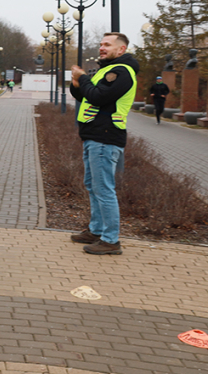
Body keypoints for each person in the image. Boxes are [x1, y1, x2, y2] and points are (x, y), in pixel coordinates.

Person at [69, 32, 139, 256]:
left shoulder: (121, 72)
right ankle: (96, 230)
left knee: (104, 189)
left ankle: (111, 240)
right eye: (101, 44)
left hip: (105, 137)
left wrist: (84, 78)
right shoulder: (106, 70)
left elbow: (99, 97)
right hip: (94, 136)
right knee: (93, 186)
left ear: (121, 49)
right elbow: (86, 96)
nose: (102, 47)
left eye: (107, 45)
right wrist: (76, 84)